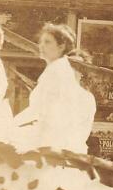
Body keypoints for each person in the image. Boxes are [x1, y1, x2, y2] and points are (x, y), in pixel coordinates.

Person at [14, 23, 86, 153]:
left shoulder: (57, 71)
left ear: (61, 46)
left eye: (47, 42)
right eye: (40, 42)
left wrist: (11, 125)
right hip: (50, 134)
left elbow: (43, 112)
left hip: (52, 138)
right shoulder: (56, 69)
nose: (41, 46)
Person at [67, 48, 97, 154]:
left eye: (76, 66)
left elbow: (82, 133)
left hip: (74, 153)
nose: (71, 69)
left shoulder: (87, 99)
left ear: (82, 72)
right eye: (69, 65)